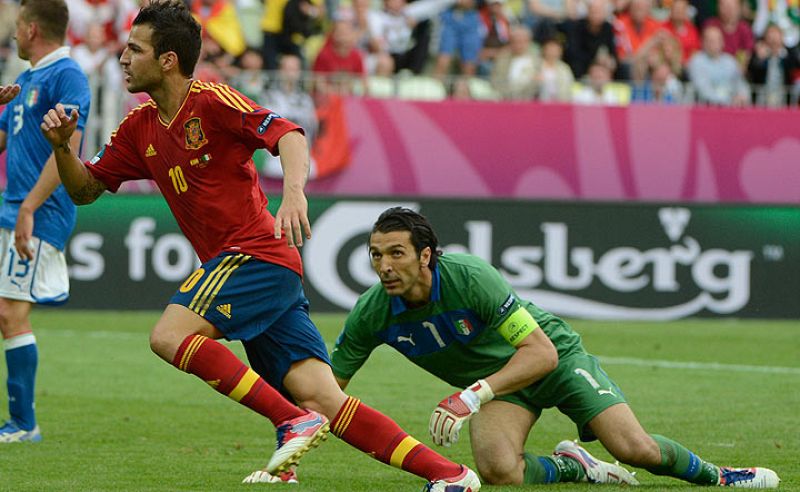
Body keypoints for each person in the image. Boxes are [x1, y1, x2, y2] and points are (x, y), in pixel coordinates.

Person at [38, 2, 479, 489]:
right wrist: (63, 146)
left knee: (169, 336)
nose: (122, 58)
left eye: (135, 48)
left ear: (167, 60)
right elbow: (84, 190)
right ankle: (452, 475)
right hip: (260, 271)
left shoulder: (213, 101)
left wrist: (293, 194)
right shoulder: (138, 128)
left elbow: (289, 135)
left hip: (254, 256)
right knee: (324, 400)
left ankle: (291, 422)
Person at [331, 206, 782, 488]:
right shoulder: (372, 313)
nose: (383, 266)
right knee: (499, 472)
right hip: (503, 388)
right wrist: (290, 432)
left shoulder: (469, 276)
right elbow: (326, 388)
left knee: (634, 450)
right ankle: (576, 467)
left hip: (554, 360)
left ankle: (720, 476)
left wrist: (470, 396)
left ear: (425, 255)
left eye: (395, 253)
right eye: (375, 254)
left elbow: (540, 353)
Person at [0, 0, 90, 443]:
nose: (12, 36)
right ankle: (19, 421)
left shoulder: (67, 75)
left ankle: (22, 423)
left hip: (38, 212)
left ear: (32, 29)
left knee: (10, 312)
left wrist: (30, 208)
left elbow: (66, 149)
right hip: (12, 209)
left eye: (16, 28)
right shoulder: (25, 79)